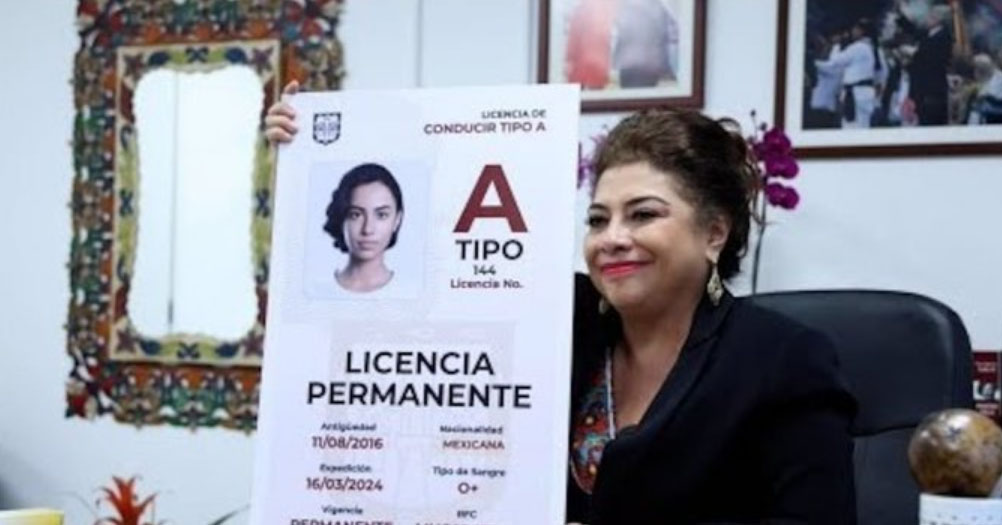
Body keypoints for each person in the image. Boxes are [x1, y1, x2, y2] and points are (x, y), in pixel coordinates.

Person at [266, 86, 857, 524]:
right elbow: (407, 290)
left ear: (714, 233)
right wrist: (308, 153)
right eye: (598, 219)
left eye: (643, 214)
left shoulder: (784, 358)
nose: (612, 238)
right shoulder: (557, 319)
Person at [323, 162, 404, 293]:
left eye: (381, 215)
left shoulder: (411, 293)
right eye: (356, 215)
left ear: (397, 220)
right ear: (341, 218)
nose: (367, 229)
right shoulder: (316, 291)